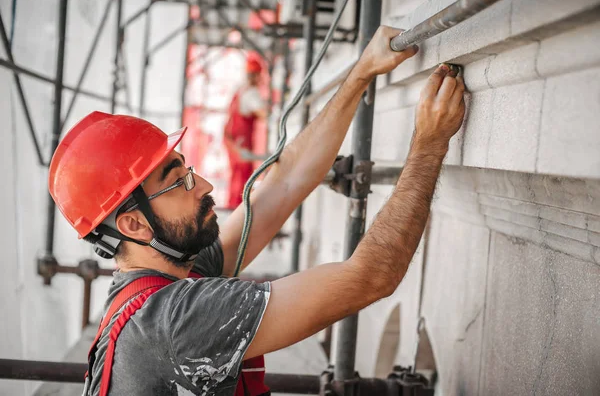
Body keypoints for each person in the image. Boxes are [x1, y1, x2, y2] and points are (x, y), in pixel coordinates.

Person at [48, 26, 465, 396]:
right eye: (180, 181)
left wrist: (360, 74)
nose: (206, 186)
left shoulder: (167, 280)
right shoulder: (176, 322)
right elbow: (370, 278)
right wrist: (429, 144)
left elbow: (282, 185)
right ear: (134, 223)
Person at [223, 54, 267, 209]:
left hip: (232, 140)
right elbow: (264, 113)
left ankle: (233, 211)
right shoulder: (250, 93)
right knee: (242, 179)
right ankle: (238, 214)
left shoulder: (240, 91)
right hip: (240, 143)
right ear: (256, 75)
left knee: (236, 177)